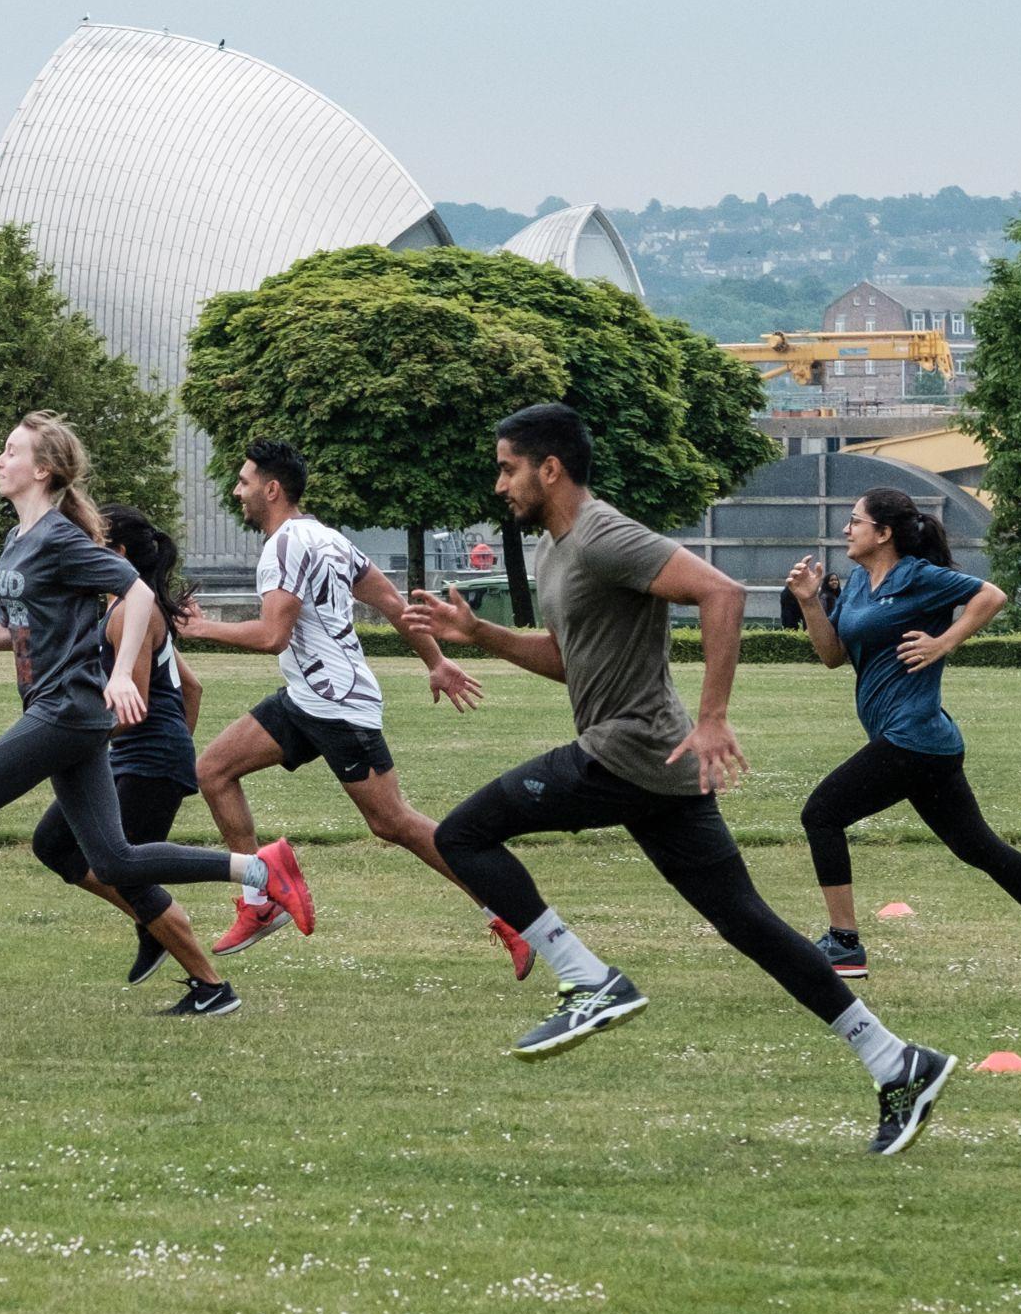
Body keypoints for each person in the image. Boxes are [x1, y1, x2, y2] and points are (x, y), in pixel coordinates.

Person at [403, 403, 956, 1156]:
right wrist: (482, 634)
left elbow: (721, 593)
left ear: (550, 468)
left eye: (508, 467)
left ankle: (588, 980)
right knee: (748, 923)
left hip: (627, 752)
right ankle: (896, 1060)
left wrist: (714, 717)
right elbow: (570, 661)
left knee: (462, 835)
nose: (500, 484)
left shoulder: (603, 532)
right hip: (659, 770)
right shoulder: (559, 551)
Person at [0, 412, 312, 1010]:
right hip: (69, 714)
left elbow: (138, 592)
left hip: (66, 711)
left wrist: (120, 673)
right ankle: (259, 873)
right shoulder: (20, 540)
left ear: (42, 469)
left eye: (9, 451)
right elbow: (10, 627)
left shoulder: (61, 538)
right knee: (113, 858)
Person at [177, 440, 532, 980]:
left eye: (245, 481)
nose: (237, 490)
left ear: (272, 489)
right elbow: (392, 602)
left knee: (394, 824)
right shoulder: (327, 537)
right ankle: (260, 900)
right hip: (307, 699)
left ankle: (506, 910)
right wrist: (435, 662)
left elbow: (274, 635)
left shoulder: (286, 547)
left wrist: (200, 628)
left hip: (338, 707)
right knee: (214, 771)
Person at [788, 488, 1021, 999]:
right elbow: (832, 656)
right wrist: (809, 603)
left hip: (911, 738)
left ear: (884, 533)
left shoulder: (915, 575)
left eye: (855, 521)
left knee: (821, 813)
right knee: (976, 846)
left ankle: (844, 942)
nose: (847, 530)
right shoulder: (855, 586)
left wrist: (944, 642)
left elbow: (992, 596)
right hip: (924, 743)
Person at [26, 504, 241, 1015]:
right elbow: (191, 688)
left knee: (126, 872)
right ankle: (153, 925)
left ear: (117, 555)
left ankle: (212, 987)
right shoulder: (134, 610)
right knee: (54, 844)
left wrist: (70, 739)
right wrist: (174, 751)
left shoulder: (126, 614)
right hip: (142, 756)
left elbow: (135, 702)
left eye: (91, 546)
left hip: (144, 759)